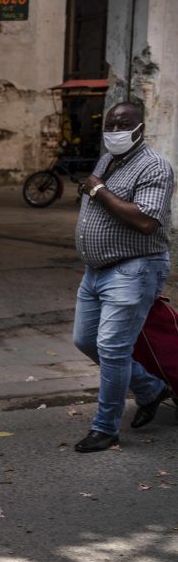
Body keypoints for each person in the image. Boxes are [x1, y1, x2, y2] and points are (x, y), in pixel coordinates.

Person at [72, 101, 175, 452]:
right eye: (111, 126)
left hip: (134, 267)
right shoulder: (107, 159)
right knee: (85, 341)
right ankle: (150, 389)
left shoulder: (155, 167)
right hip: (96, 270)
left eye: (123, 125)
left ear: (140, 128)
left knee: (113, 349)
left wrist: (98, 190)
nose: (115, 132)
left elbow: (147, 221)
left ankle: (105, 428)